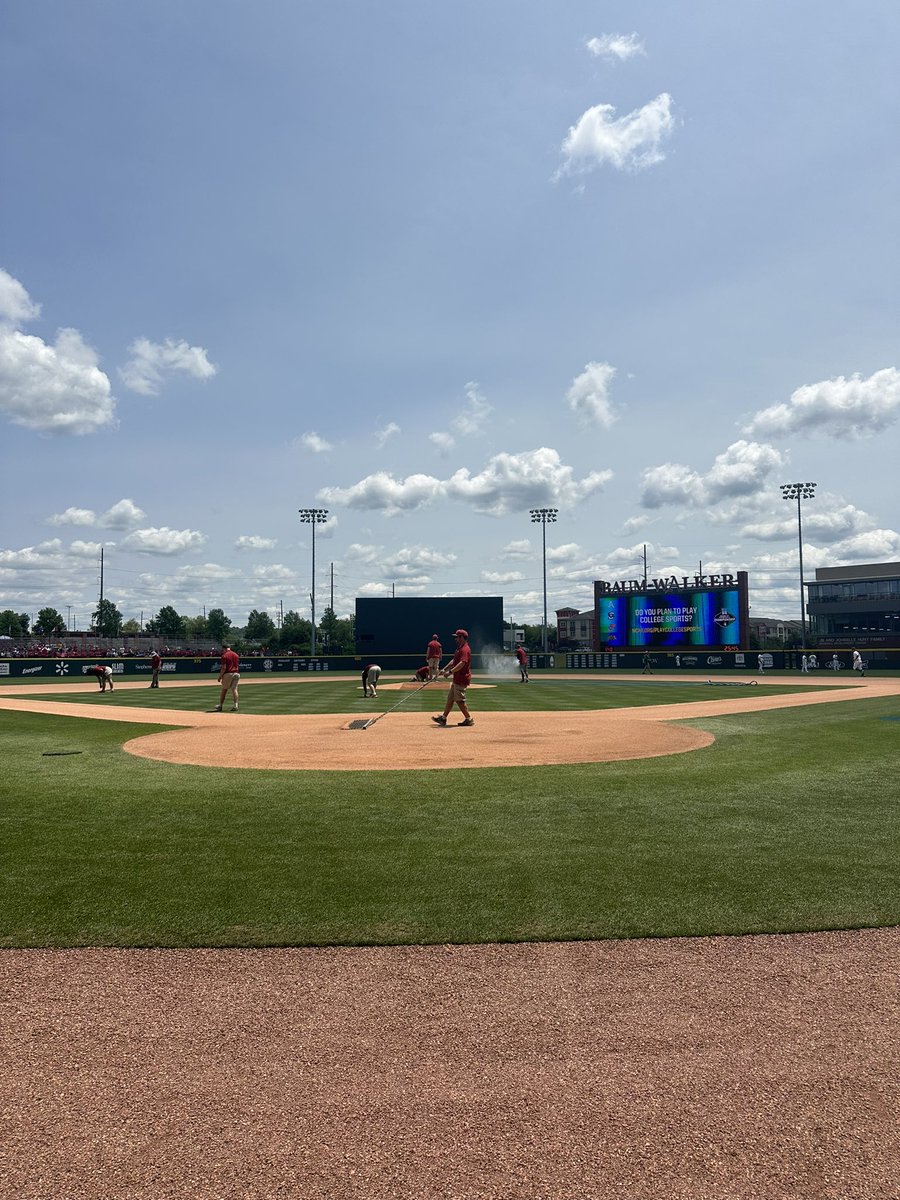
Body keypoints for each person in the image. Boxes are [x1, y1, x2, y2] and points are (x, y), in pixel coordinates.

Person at [432, 628, 474, 727]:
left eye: (457, 637)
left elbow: (462, 663)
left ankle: (469, 719)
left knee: (459, 700)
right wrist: (444, 669)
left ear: (462, 638)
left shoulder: (465, 649)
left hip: (462, 678)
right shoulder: (459, 648)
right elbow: (454, 661)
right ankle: (443, 718)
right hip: (457, 678)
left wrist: (450, 672)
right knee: (450, 699)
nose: (456, 639)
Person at [214, 644, 240, 711]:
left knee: (224, 689)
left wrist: (220, 676)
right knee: (234, 689)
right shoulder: (236, 655)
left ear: (224, 648)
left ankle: (220, 705)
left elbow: (223, 668)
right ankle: (236, 705)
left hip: (228, 673)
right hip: (236, 673)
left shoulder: (224, 655)